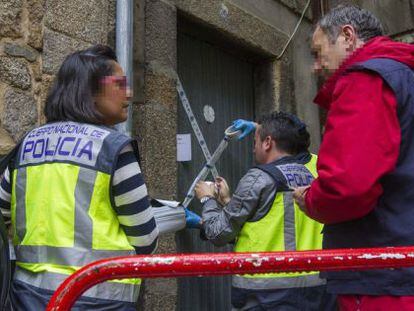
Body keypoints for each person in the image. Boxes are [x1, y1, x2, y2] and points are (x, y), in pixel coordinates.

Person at [237, 5, 414, 310]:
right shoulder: (403, 76)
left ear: (348, 36)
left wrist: (312, 199)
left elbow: (347, 185)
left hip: (382, 275)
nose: (315, 67)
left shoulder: (365, 79)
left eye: (318, 53)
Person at [0, 45, 161, 310]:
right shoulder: (114, 148)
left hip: (27, 298)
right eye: (119, 84)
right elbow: (146, 240)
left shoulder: (27, 145)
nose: (128, 94)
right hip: (96, 300)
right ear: (91, 89)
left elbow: (2, 212)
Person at [195, 112, 336, 310]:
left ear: (268, 142)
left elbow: (217, 233)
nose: (253, 149)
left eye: (255, 141)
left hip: (266, 296)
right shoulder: (317, 167)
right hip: (319, 292)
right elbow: (265, 225)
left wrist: (207, 198)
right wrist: (228, 201)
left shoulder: (258, 179)